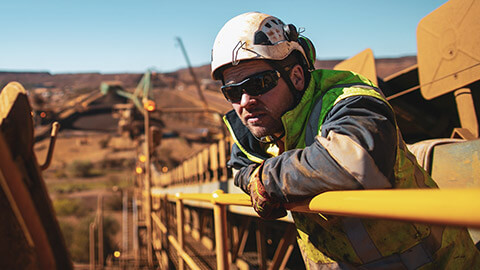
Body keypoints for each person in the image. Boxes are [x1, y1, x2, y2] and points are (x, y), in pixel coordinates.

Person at [211, 12, 480, 269]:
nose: (245, 101)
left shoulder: (348, 99)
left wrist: (267, 179)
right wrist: (254, 178)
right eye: (232, 92)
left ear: (296, 76)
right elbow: (241, 165)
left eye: (259, 83)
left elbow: (356, 161)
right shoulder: (258, 123)